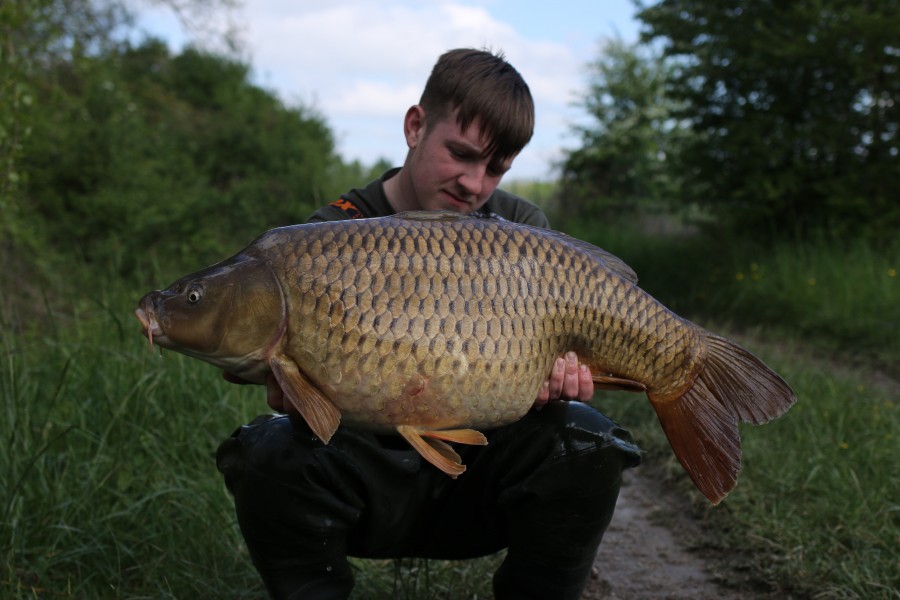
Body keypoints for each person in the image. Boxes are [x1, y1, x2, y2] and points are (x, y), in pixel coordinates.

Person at [216, 48, 641, 600]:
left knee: (589, 438)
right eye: (460, 154)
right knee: (267, 450)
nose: (474, 183)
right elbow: (294, 399)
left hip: (481, 478)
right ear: (415, 126)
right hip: (364, 478)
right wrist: (296, 388)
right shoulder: (325, 239)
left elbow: (554, 393)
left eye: (496, 168)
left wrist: (559, 388)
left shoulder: (521, 229)